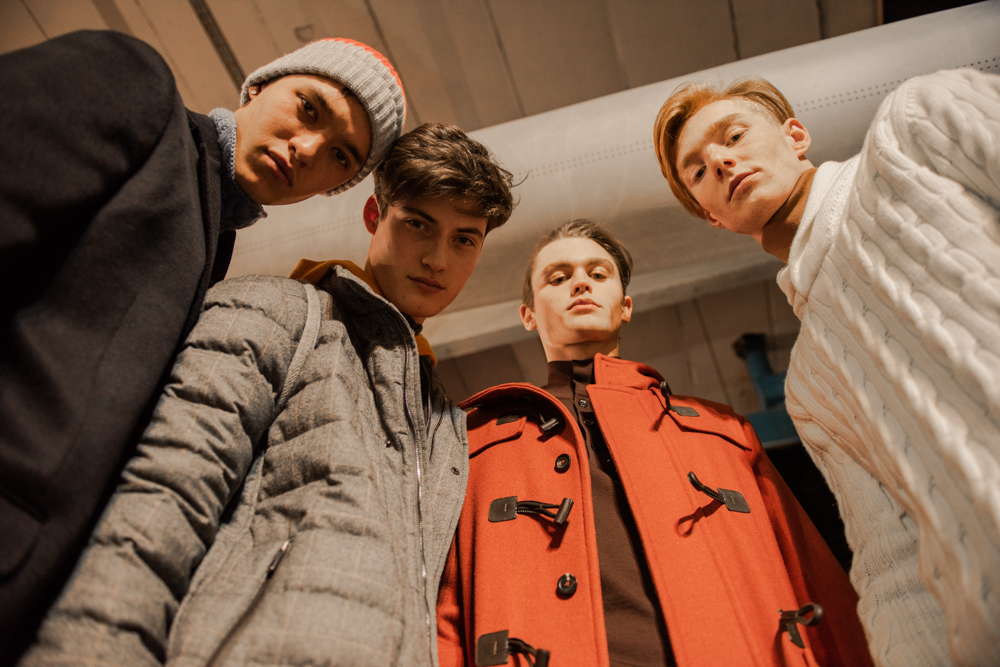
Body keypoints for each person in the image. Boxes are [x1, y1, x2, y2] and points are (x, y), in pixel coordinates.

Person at [19, 122, 516, 667]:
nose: (438, 259)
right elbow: (162, 500)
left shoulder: (444, 421)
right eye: (418, 224)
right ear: (375, 215)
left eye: (464, 239)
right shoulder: (275, 310)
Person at [0, 29, 405, 663]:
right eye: (308, 108)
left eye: (339, 156)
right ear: (261, 84)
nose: (307, 149)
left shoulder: (212, 245)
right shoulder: (136, 86)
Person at [652, 70, 1000, 666]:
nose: (722, 163)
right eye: (699, 172)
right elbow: (893, 569)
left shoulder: (912, 129)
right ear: (713, 218)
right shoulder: (808, 386)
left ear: (795, 135)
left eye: (733, 136)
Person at [436, 220, 872, 667]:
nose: (581, 283)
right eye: (558, 277)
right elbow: (444, 613)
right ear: (528, 315)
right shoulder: (474, 443)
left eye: (598, 273)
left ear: (625, 306)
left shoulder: (722, 430)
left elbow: (811, 575)